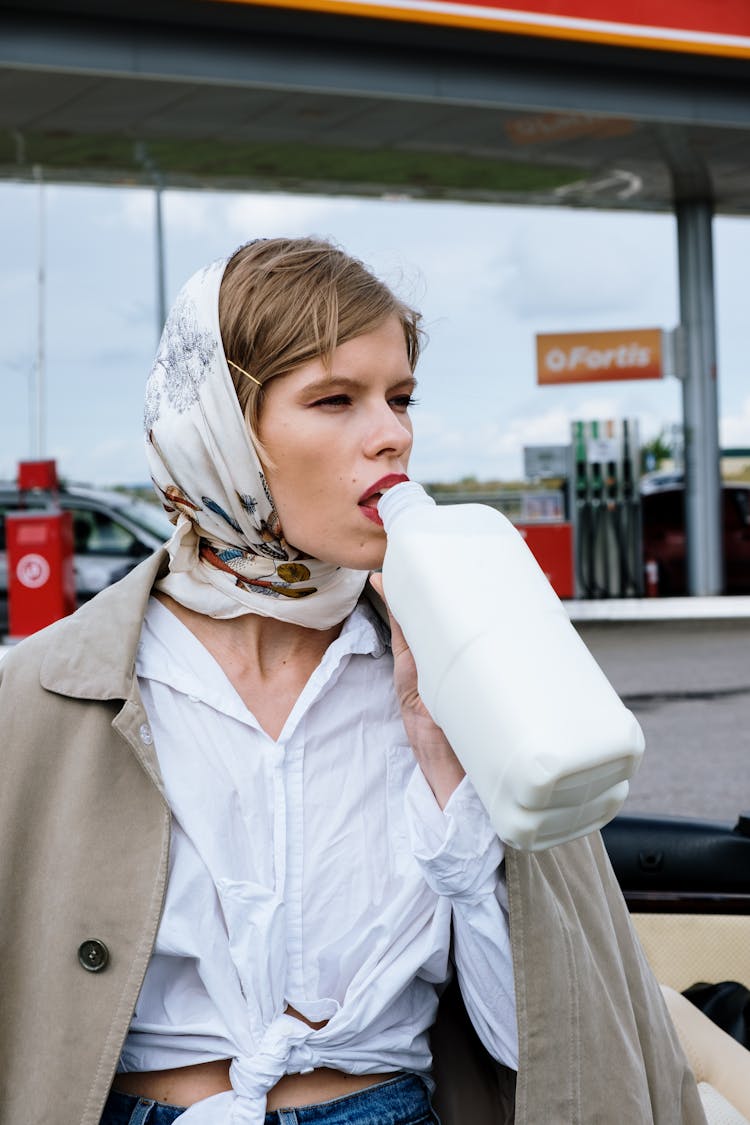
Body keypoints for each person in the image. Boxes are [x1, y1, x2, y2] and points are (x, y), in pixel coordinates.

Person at [0, 238, 706, 1125]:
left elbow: (546, 1043)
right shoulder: (46, 690)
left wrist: (455, 772)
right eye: (335, 399)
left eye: (401, 397)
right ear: (220, 433)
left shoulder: (466, 666)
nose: (393, 433)